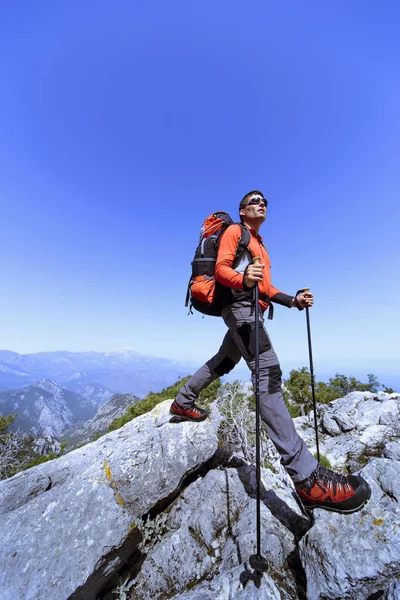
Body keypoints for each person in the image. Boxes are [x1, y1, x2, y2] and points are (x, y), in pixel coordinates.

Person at [170, 190, 371, 514]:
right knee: (268, 372)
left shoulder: (259, 245)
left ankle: (183, 401)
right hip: (240, 309)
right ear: (241, 210)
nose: (261, 204)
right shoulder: (236, 232)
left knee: (224, 361)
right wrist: (242, 277)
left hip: (250, 310)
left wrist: (293, 300)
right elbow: (222, 270)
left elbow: (266, 289)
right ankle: (307, 478)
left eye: (264, 202)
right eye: (254, 201)